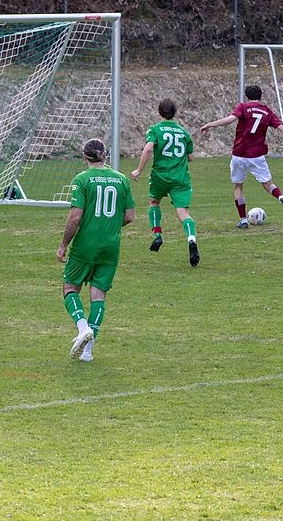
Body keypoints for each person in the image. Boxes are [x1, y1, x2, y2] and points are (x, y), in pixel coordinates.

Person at [57, 138, 135, 362]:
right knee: (98, 295)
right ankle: (88, 352)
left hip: (85, 245)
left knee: (70, 287)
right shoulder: (121, 180)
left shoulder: (82, 180)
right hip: (111, 246)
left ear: (84, 156)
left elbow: (75, 216)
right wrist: (108, 227)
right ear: (105, 155)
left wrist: (63, 245)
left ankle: (82, 327)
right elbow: (129, 216)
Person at [199, 84, 283, 228]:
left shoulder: (243, 107)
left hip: (239, 154)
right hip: (257, 155)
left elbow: (229, 120)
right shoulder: (267, 111)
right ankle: (281, 197)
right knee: (268, 184)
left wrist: (209, 125)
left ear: (247, 96)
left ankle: (243, 220)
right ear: (260, 96)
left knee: (238, 187)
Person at [130, 98, 200, 267]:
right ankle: (191, 240)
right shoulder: (184, 132)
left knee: (154, 202)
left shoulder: (155, 129)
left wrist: (139, 170)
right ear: (175, 113)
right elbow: (190, 157)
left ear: (159, 112)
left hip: (160, 176)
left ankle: (157, 235)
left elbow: (148, 149)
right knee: (183, 212)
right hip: (180, 177)